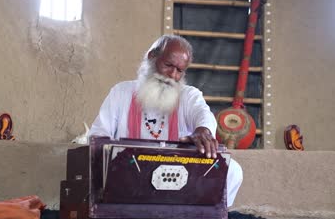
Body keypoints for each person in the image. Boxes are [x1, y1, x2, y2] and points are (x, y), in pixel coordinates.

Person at [88, 35, 243, 207]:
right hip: (130, 171)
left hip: (180, 172)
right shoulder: (121, 92)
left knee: (233, 170)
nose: (172, 75)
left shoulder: (188, 95)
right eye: (168, 65)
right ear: (152, 56)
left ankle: (201, 214)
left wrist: (203, 130)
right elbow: (98, 135)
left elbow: (203, 114)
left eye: (179, 70)